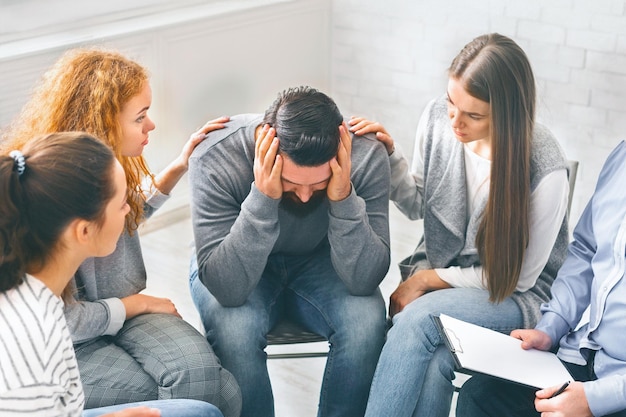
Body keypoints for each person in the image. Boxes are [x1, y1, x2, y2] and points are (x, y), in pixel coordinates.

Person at [1, 47, 241, 417]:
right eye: (140, 117)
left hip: (120, 311)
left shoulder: (101, 175)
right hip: (79, 333)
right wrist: (134, 304)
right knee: (215, 394)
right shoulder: (44, 198)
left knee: (212, 385)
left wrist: (178, 166)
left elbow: (123, 210)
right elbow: (59, 319)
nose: (152, 126)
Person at [349, 33, 572, 417]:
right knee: (435, 359)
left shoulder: (545, 170)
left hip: (517, 296)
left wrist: (426, 279)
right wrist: (391, 159)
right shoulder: (439, 117)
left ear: (507, 114)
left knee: (418, 320)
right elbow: (420, 204)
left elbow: (519, 280)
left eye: (473, 115)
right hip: (453, 279)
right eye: (452, 102)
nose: (455, 120)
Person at [187, 85, 391, 417]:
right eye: (292, 183)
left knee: (366, 323)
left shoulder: (366, 153)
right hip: (232, 260)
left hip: (321, 262)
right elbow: (228, 289)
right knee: (234, 330)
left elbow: (364, 280)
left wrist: (342, 197)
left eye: (320, 184)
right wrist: (263, 199)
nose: (307, 197)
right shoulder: (215, 155)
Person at [456, 141, 626, 417]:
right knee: (480, 396)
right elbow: (586, 250)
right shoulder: (622, 156)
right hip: (587, 353)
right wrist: (551, 326)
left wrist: (595, 400)